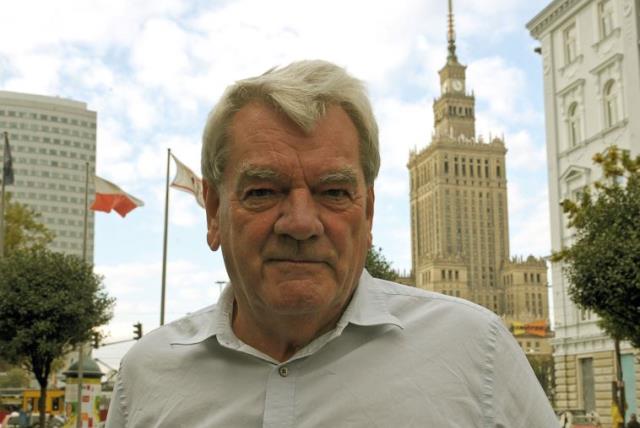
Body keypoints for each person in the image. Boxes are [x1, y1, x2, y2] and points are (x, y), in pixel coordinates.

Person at [106, 60, 558, 427]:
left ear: (368, 212)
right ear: (212, 212)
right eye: (263, 191)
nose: (301, 224)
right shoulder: (146, 376)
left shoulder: (479, 351)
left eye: (334, 192)